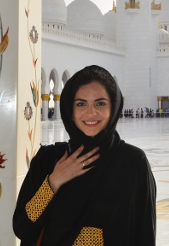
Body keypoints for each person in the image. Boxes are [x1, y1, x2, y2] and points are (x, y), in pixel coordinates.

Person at [13, 65, 156, 245]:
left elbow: (145, 235)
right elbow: (22, 227)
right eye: (81, 104)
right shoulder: (48, 160)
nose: (91, 112)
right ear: (70, 111)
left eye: (100, 103)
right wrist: (52, 183)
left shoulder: (133, 162)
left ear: (114, 107)